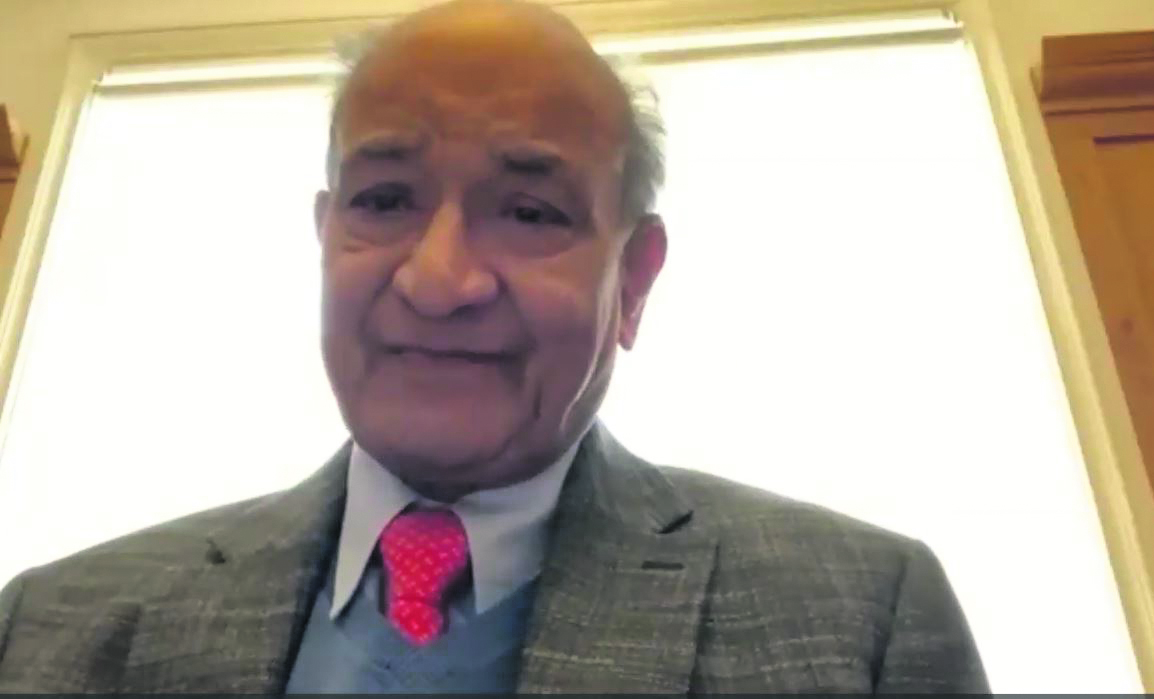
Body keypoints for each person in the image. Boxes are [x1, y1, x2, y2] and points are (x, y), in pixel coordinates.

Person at [0, 0, 988, 692]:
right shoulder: (49, 629)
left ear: (633, 280)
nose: (437, 281)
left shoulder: (857, 618)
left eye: (527, 211)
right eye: (386, 199)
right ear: (326, 237)